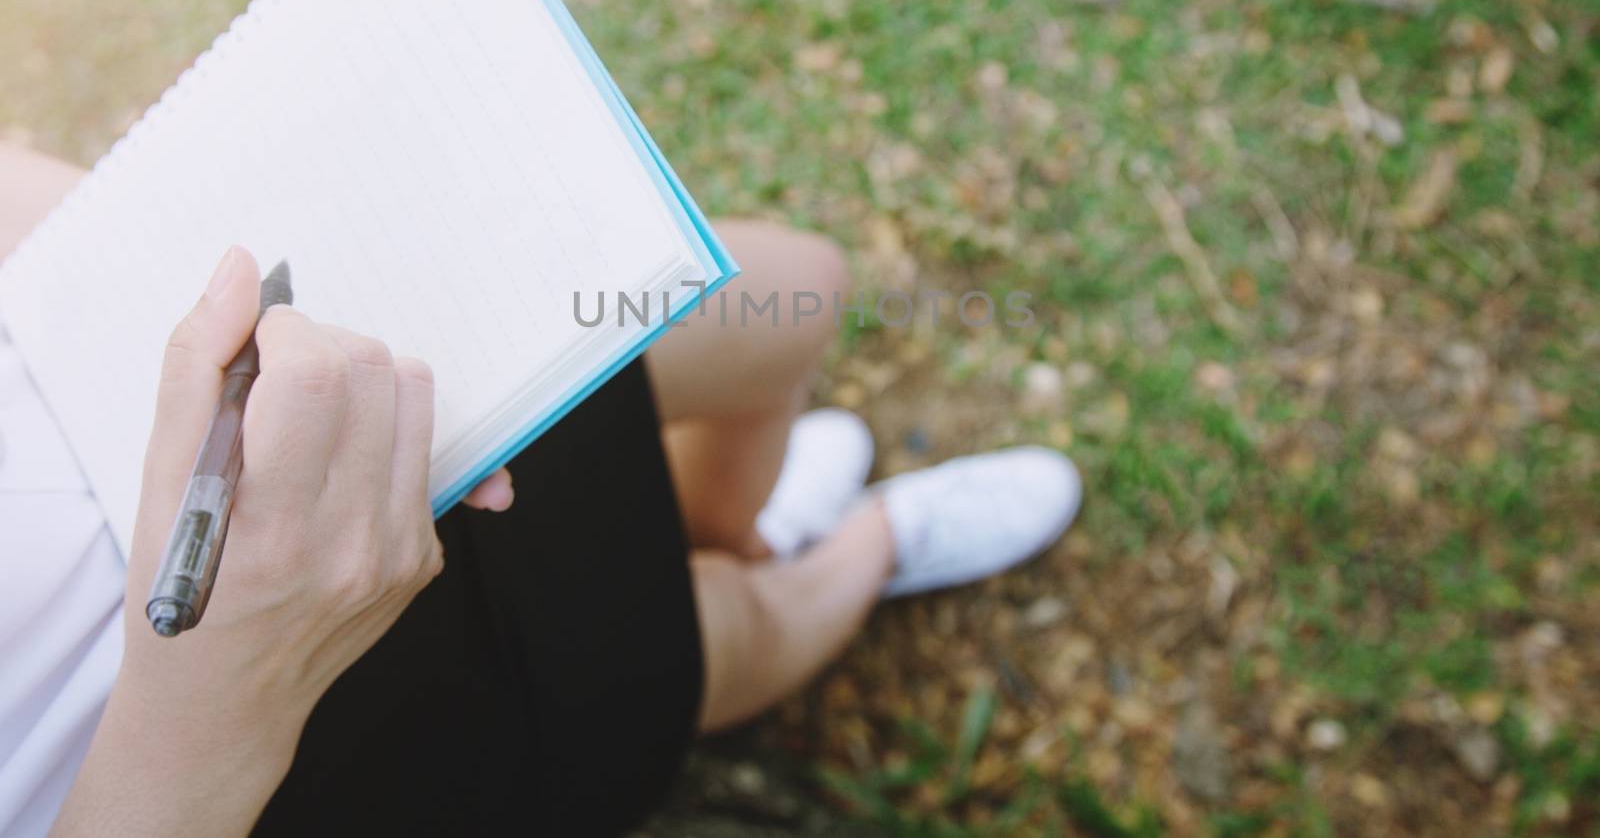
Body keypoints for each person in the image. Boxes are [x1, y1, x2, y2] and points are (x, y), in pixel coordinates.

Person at [0, 138, 1081, 837]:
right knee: (714, 636)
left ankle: (742, 526)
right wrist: (205, 717)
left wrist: (115, 233)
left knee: (795, 293)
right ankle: (865, 542)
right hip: (201, 743)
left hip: (247, 385)